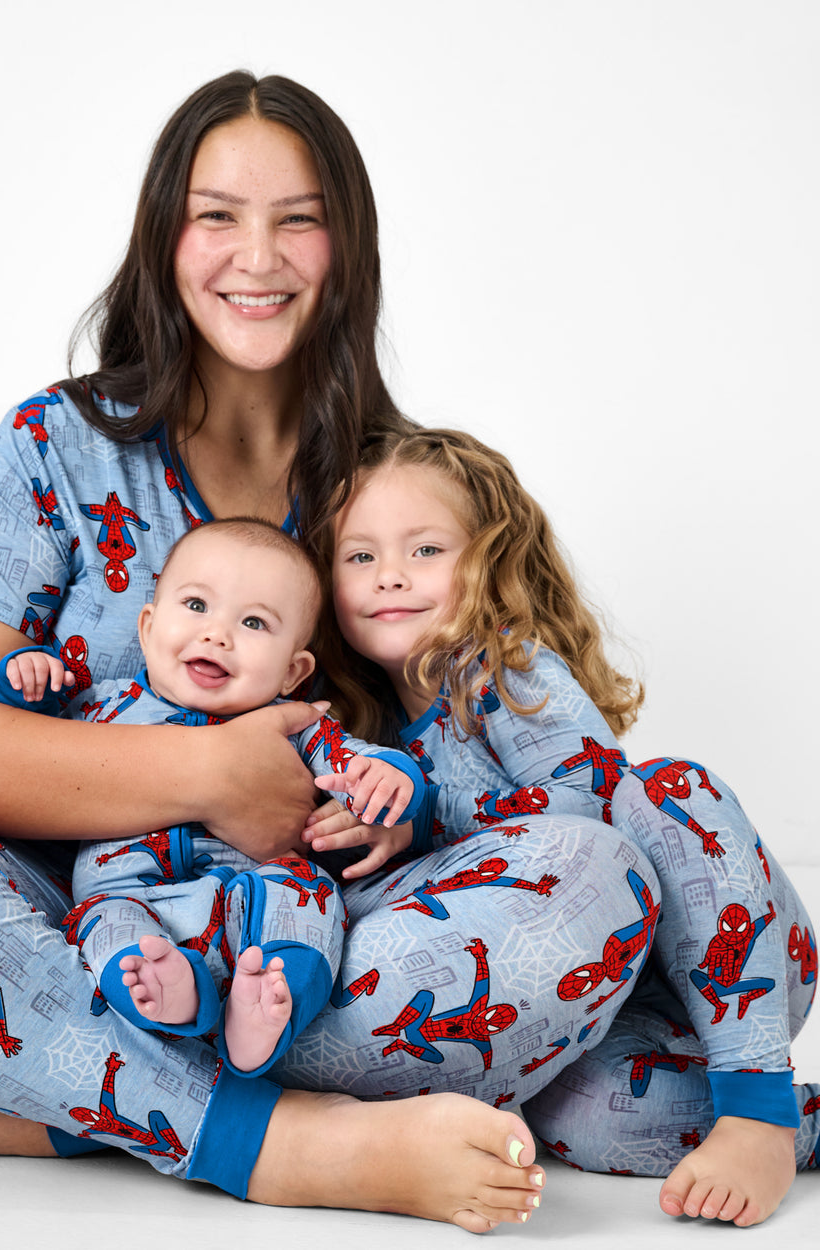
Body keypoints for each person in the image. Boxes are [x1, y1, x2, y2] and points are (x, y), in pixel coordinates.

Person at [0, 71, 661, 1233]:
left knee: (597, 870)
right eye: (216, 214)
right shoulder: (52, 449)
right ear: (164, 235)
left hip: (302, 949)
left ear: (346, 247)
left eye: (298, 217)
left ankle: (23, 1106)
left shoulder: (401, 490)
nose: (255, 256)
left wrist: (391, 810)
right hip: (60, 923)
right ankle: (283, 1143)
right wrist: (212, 776)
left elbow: (523, 761)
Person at [302, 426, 818, 1227]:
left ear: (489, 561)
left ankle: (754, 1101)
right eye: (359, 557)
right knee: (574, 1118)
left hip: (721, 946)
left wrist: (427, 814)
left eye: (426, 549)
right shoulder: (359, 739)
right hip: (597, 1010)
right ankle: (799, 1121)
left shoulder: (501, 670)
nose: (390, 576)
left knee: (668, 791)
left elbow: (588, 810)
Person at [0, 517, 423, 1076]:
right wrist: (26, 683)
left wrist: (394, 778)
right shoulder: (104, 708)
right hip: (131, 897)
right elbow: (25, 755)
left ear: (293, 671)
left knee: (307, 895)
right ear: (147, 628)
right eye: (196, 606)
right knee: (104, 927)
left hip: (254, 904)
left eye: (253, 622)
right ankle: (172, 996)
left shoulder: (292, 728)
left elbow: (356, 764)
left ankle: (271, 1003)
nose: (218, 634)